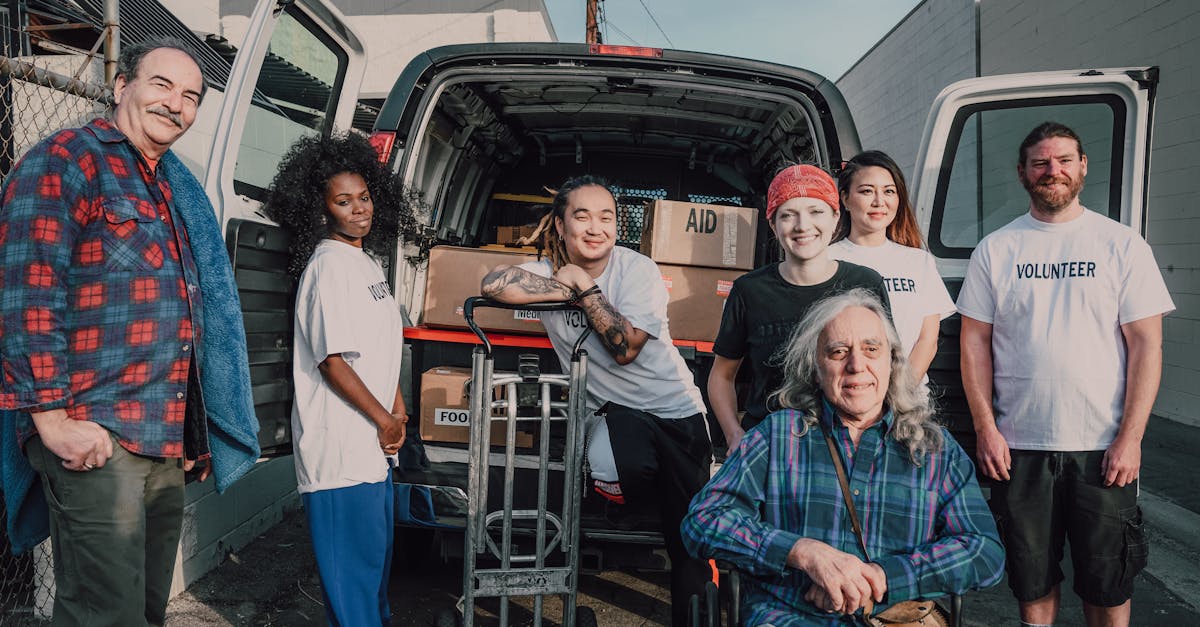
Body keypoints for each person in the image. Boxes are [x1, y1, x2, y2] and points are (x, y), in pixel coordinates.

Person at [0, 38, 261, 626]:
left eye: (191, 96)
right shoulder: (68, 158)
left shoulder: (169, 184)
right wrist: (52, 421)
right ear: (122, 88)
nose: (176, 104)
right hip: (96, 434)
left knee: (144, 608)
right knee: (105, 613)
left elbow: (189, 313)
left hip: (161, 439)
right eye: (162, 85)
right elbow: (24, 291)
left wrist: (194, 427)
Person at [957, 122, 1174, 627]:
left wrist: (1132, 438)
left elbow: (1147, 345)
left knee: (1108, 581)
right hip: (1019, 448)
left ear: (1082, 167)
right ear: (1023, 173)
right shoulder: (997, 248)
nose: (1051, 171)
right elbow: (974, 344)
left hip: (1103, 448)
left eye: (1063, 160)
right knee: (1032, 579)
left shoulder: (1121, 245)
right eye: (1040, 163)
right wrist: (987, 430)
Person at [682, 289, 1004, 626]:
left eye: (871, 349)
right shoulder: (777, 436)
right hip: (789, 615)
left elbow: (984, 551)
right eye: (838, 352)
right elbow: (704, 520)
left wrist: (882, 578)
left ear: (892, 363)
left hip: (892, 618)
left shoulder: (936, 450)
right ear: (816, 369)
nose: (856, 365)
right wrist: (802, 553)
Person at [480, 175, 712, 627]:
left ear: (617, 226)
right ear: (561, 225)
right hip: (617, 418)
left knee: (689, 540)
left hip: (677, 415)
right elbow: (494, 283)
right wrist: (566, 283)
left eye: (606, 217)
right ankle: (627, 497)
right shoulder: (549, 268)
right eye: (581, 216)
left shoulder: (637, 270)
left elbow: (624, 349)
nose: (594, 227)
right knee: (618, 461)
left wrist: (584, 289)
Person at [265, 133, 412, 626]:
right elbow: (333, 362)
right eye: (343, 201)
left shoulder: (363, 262)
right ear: (320, 208)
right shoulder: (328, 268)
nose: (359, 209)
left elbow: (376, 347)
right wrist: (384, 421)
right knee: (353, 598)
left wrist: (397, 408)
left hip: (371, 449)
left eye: (364, 197)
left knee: (371, 589)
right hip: (341, 454)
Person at [709, 164, 890, 454]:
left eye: (815, 212)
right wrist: (733, 434)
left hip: (850, 444)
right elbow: (722, 375)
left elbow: (887, 365)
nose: (802, 226)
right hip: (771, 445)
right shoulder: (749, 290)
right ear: (772, 224)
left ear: (835, 218)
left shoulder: (865, 283)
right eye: (788, 215)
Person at [829, 150, 956, 383]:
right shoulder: (828, 259)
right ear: (845, 199)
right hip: (848, 395)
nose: (879, 201)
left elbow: (927, 340)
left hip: (909, 400)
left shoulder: (919, 262)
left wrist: (902, 392)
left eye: (889, 191)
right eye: (867, 191)